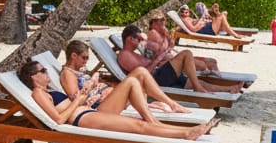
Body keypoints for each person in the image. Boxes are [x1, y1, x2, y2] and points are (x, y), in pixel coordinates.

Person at [17, 60, 216, 140]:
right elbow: (58, 120)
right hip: (82, 118)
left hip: (87, 112)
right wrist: (79, 102)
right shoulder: (39, 94)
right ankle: (186, 134)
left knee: (139, 124)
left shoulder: (48, 90)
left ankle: (188, 131)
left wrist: (84, 98)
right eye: (42, 71)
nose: (46, 72)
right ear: (34, 77)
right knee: (139, 127)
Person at [59, 39, 190, 114]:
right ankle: (170, 104)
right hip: (101, 106)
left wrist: (98, 78)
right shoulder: (67, 74)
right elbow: (78, 101)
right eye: (84, 57)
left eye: (87, 58)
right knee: (138, 74)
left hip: (110, 98)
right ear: (73, 56)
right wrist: (94, 82)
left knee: (141, 72)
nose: (86, 61)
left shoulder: (79, 71)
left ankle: (169, 104)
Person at [118, 24, 243, 95]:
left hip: (160, 75)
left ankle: (229, 89)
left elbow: (147, 65)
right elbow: (142, 74)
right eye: (138, 39)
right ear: (129, 38)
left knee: (199, 81)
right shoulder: (124, 55)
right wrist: (158, 60)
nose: (140, 42)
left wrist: (161, 57)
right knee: (186, 54)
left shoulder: (133, 53)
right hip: (155, 80)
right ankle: (197, 87)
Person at [145, 14, 221, 75]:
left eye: (164, 19)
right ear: (153, 23)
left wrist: (167, 36)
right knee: (203, 65)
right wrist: (168, 43)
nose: (164, 21)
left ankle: (216, 78)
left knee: (212, 61)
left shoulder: (162, 31)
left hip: (174, 59)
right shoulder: (153, 33)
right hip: (166, 64)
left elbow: (171, 45)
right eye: (161, 20)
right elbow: (159, 54)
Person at [176, 2, 251, 41]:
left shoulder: (188, 18)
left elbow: (193, 24)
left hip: (207, 27)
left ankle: (214, 12)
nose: (186, 13)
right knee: (222, 16)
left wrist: (204, 19)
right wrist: (202, 19)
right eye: (184, 12)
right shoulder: (185, 19)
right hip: (207, 30)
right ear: (181, 13)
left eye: (187, 11)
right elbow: (193, 29)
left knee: (224, 13)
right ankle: (235, 35)